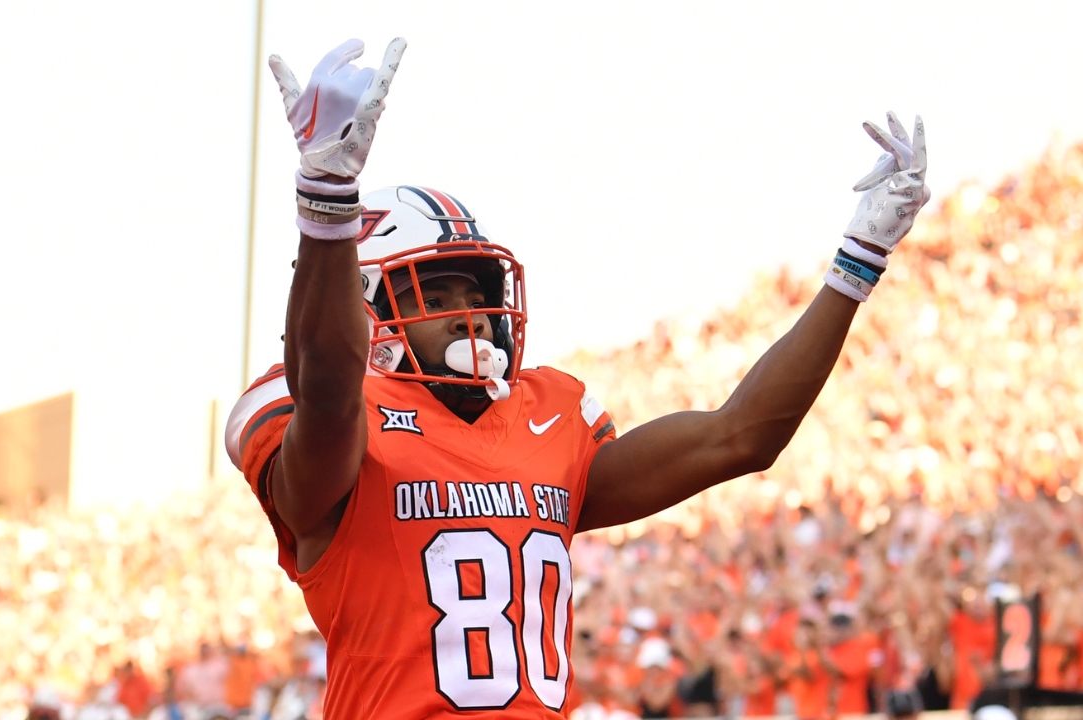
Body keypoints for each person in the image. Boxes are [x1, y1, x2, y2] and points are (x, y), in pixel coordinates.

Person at [226, 36, 931, 719]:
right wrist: (326, 204)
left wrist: (857, 261)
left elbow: (740, 437)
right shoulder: (336, 419)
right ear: (367, 310)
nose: (468, 313)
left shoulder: (549, 412)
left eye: (474, 291)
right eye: (433, 296)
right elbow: (327, 388)